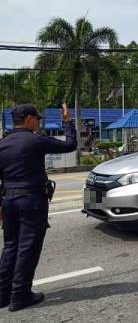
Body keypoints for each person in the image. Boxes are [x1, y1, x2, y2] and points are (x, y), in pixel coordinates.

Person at [0, 103, 77, 312]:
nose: (39, 122)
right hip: (31, 202)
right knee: (27, 247)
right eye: (37, 118)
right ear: (28, 119)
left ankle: (2, 294)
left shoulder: (3, 143)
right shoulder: (35, 140)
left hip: (9, 202)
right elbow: (70, 144)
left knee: (10, 247)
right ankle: (20, 295)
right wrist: (68, 121)